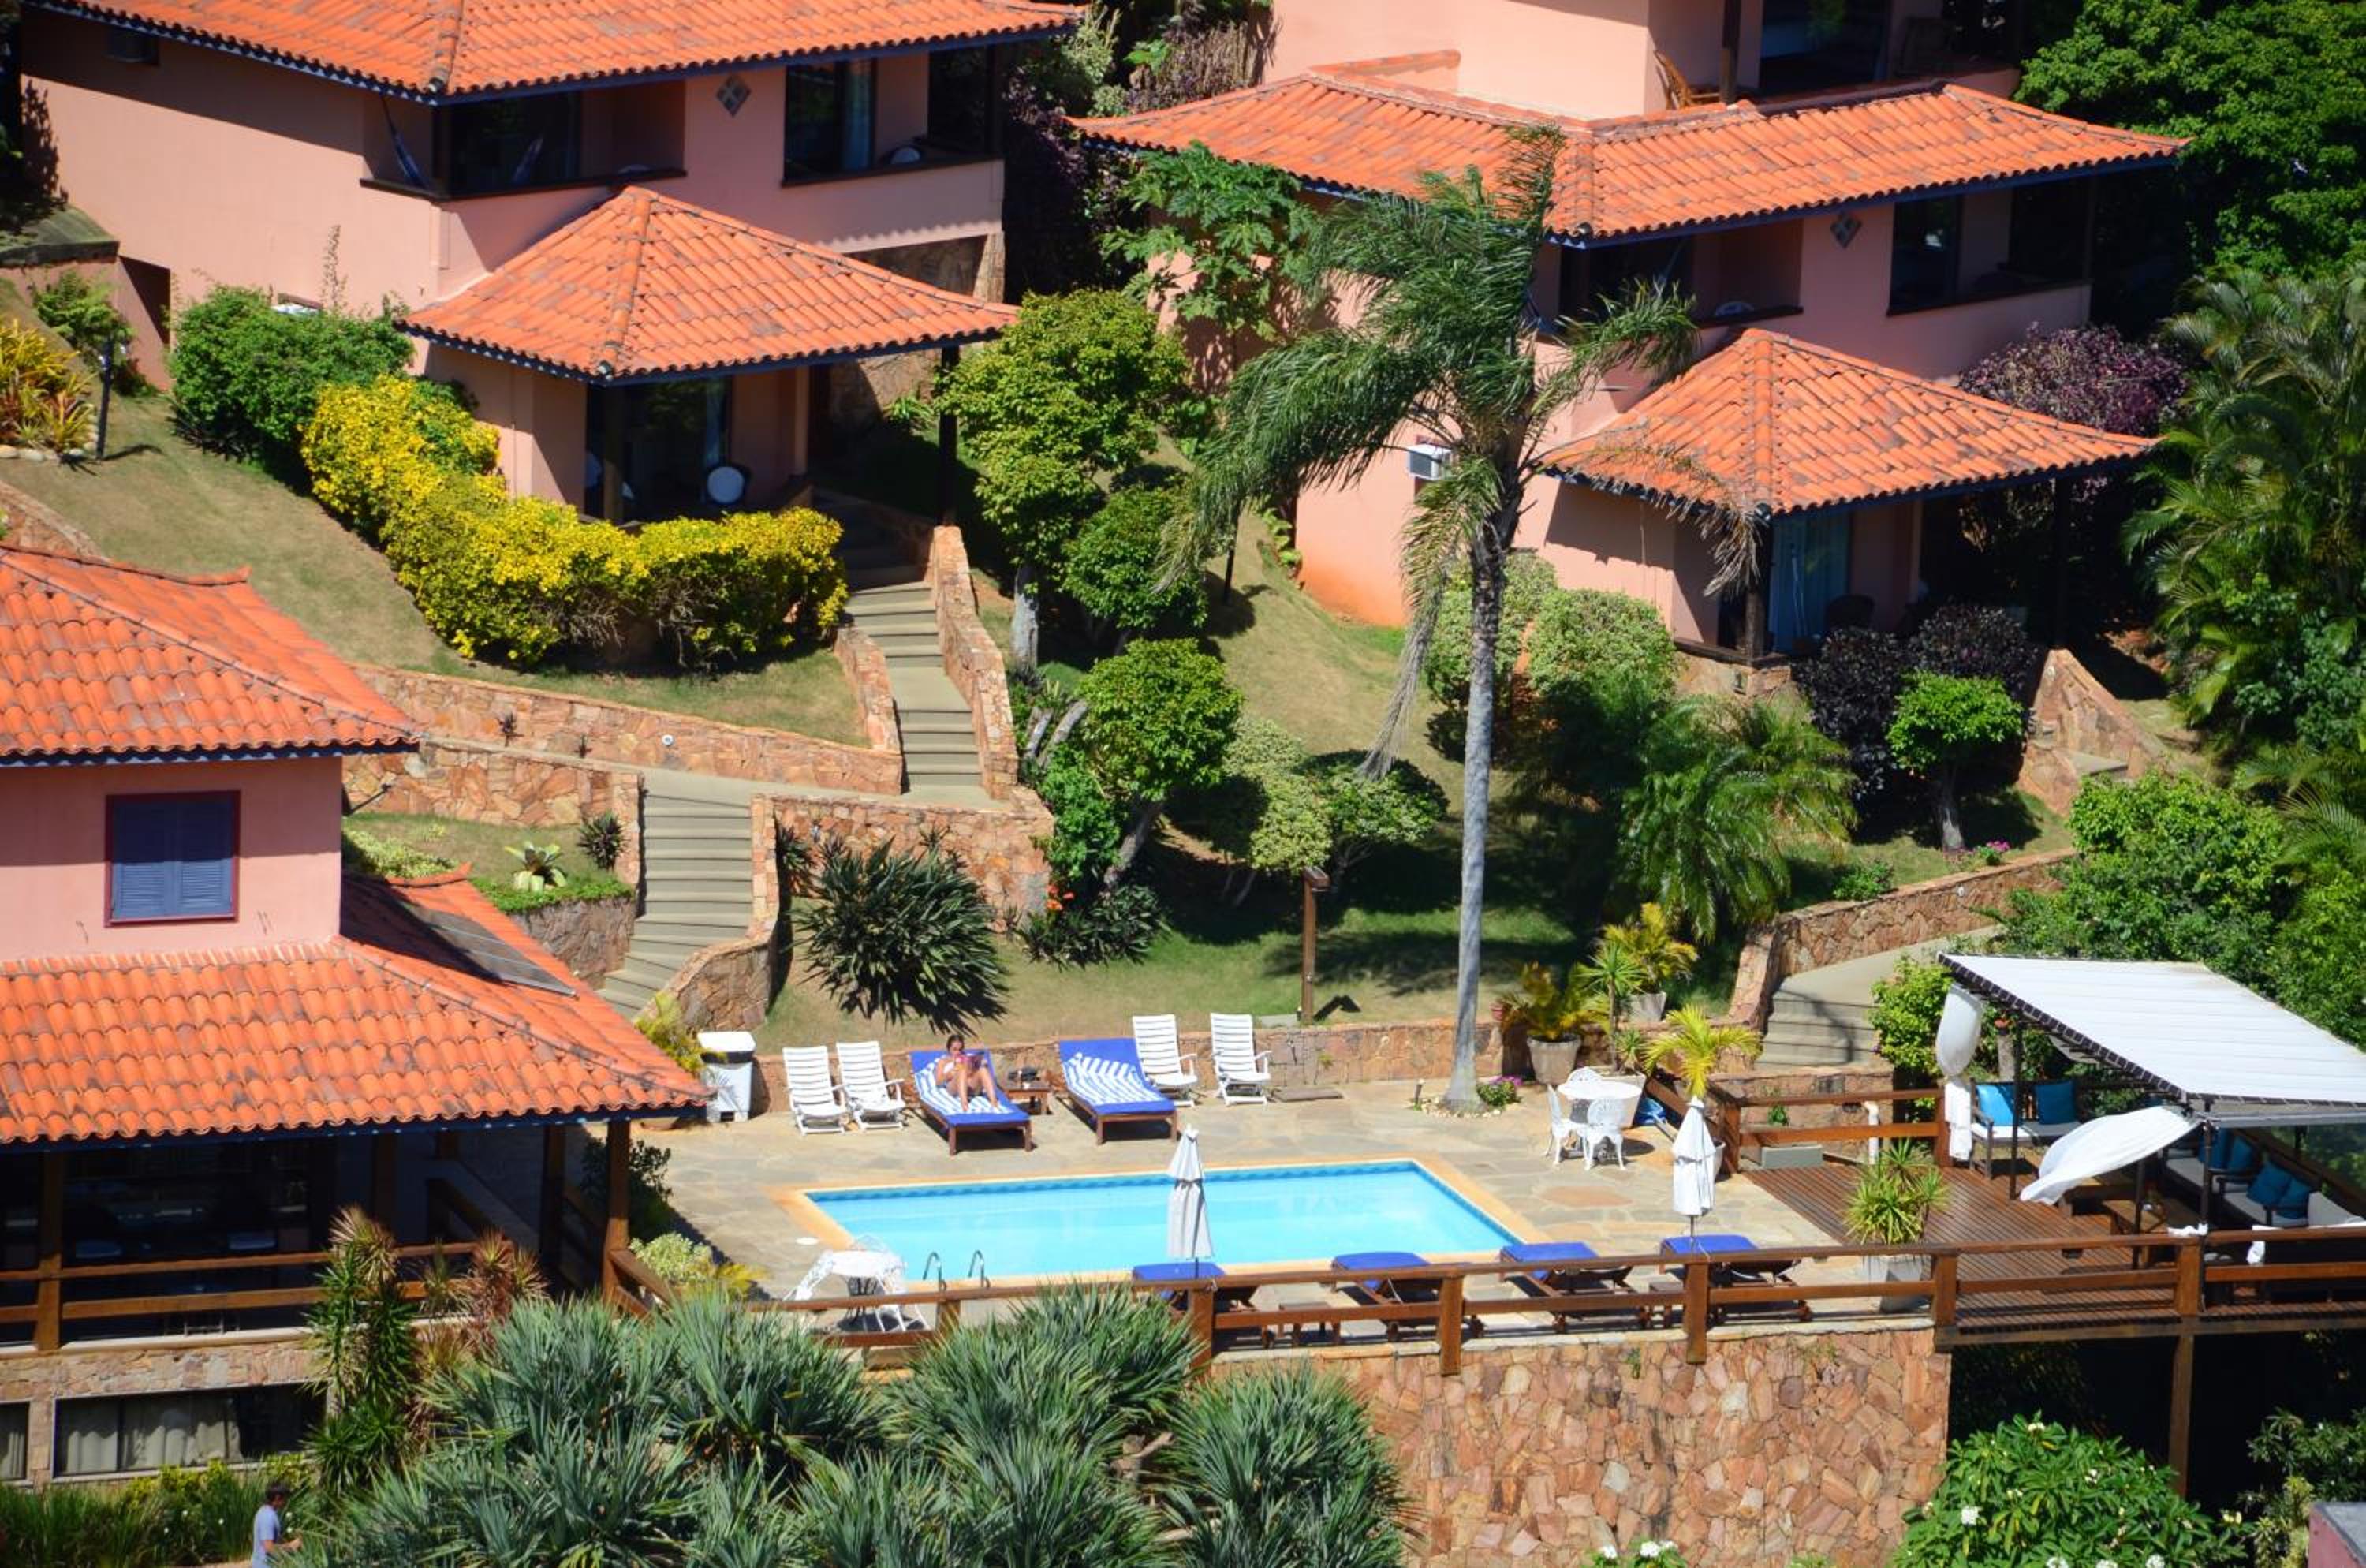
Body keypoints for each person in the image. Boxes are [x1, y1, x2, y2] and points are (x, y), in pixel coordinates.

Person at [932, 1039, 998, 1111]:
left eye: (960, 1050)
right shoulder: (943, 1061)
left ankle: (994, 1101)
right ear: (949, 1049)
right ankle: (964, 1103)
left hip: (970, 1086)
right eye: (955, 1049)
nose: (958, 1052)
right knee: (962, 1071)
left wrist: (974, 1066)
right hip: (954, 1087)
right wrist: (949, 1074)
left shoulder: (967, 1058)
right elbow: (938, 1082)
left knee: (983, 1070)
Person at [253, 1484, 299, 1566]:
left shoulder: (265, 1512)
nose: (287, 1502)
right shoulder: (268, 1517)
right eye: (285, 1499)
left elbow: (273, 1540)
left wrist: (288, 1543)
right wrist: (291, 1547)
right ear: (277, 1498)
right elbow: (269, 1547)